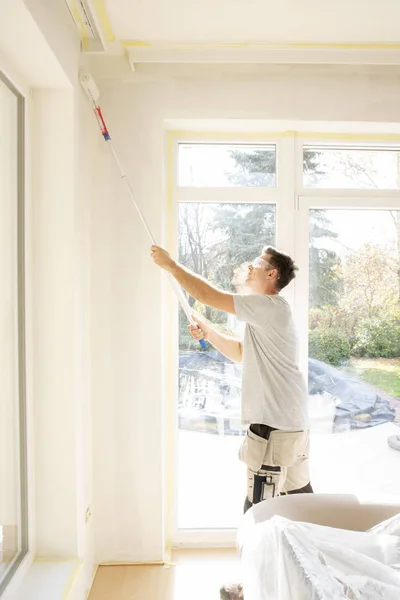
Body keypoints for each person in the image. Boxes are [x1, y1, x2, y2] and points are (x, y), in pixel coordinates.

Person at [151, 244, 313, 598]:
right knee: (300, 500)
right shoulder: (268, 314)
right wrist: (208, 332)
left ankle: (253, 587)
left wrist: (171, 265)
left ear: (272, 275)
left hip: (272, 428)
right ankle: (312, 574)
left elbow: (207, 294)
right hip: (291, 425)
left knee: (258, 509)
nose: (251, 268)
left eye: (258, 264)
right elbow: (240, 353)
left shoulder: (268, 305)